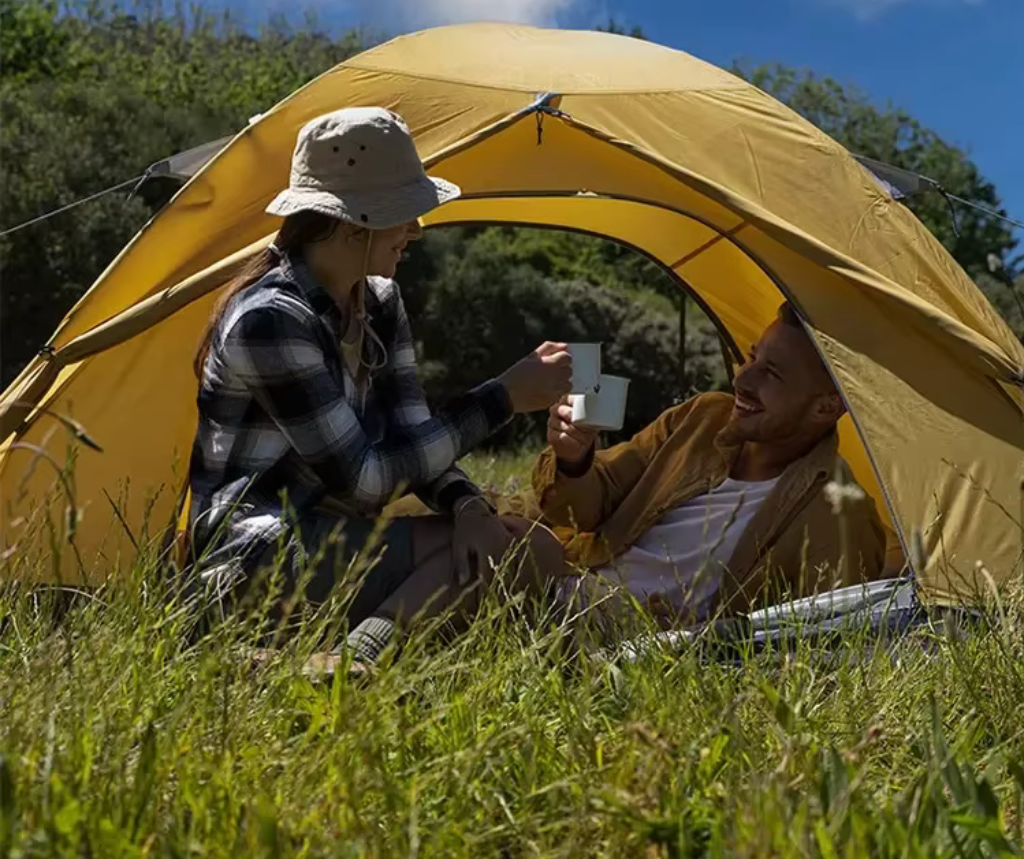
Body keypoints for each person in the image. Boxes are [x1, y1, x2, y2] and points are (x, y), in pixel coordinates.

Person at [188, 107, 568, 668]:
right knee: (518, 558)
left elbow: (414, 437)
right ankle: (336, 660)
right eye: (405, 214)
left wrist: (468, 507)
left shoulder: (380, 303)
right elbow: (366, 481)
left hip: (339, 536)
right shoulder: (270, 319)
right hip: (255, 555)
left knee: (527, 548)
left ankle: (335, 659)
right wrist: (503, 397)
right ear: (351, 224)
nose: (415, 230)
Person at [535, 303, 886, 630]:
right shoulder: (702, 419)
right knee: (490, 525)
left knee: (492, 553)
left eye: (773, 374)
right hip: (569, 575)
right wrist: (574, 459)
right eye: (751, 358)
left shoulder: (840, 513)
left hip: (638, 638)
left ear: (826, 407)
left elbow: (825, 638)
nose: (742, 381)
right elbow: (583, 509)